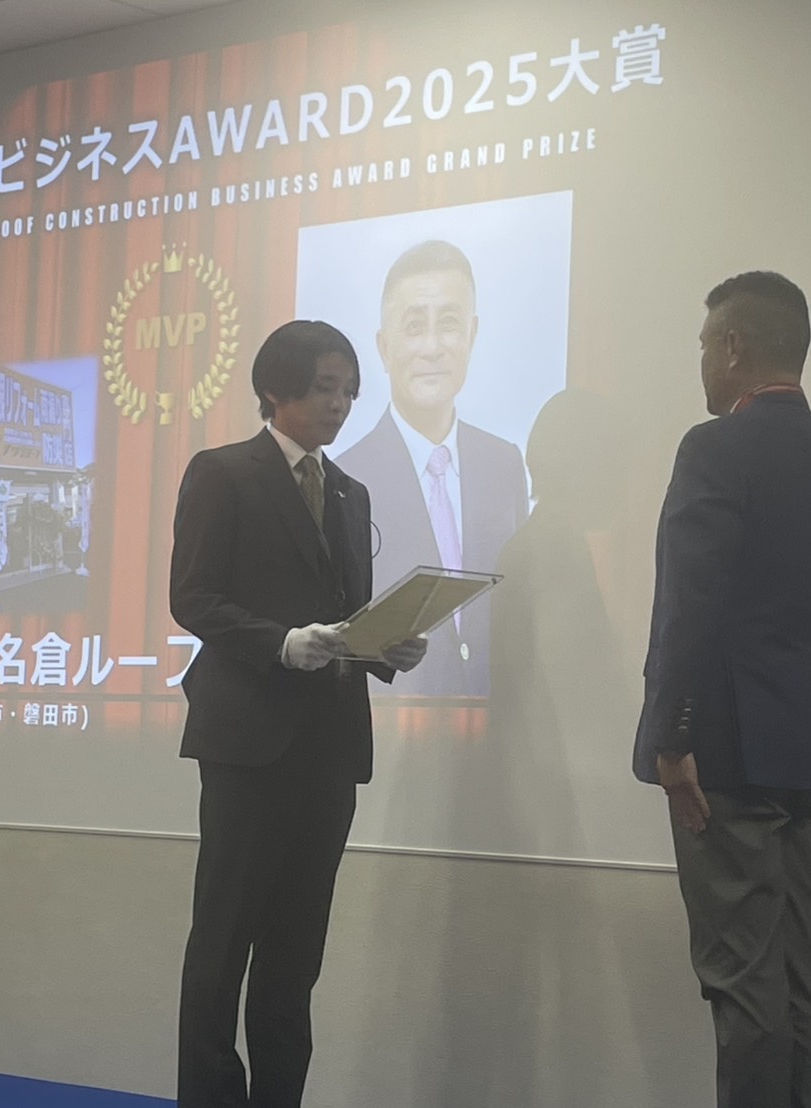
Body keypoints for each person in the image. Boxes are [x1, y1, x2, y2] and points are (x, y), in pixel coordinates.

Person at [633, 271, 811, 1108]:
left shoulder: (714, 450)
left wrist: (671, 737)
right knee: (809, 974)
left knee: (742, 983)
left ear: (733, 347)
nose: (702, 362)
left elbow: (688, 607)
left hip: (724, 760)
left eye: (705, 345)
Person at [171, 320, 427, 1108]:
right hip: (249, 743)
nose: (339, 404)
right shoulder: (223, 473)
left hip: (328, 748)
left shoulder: (349, 492)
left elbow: (347, 617)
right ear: (274, 388)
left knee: (295, 955)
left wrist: (387, 648)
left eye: (349, 390)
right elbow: (192, 598)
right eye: (324, 388)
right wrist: (279, 644)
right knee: (223, 944)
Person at [334, 239, 529, 697]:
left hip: (497, 720)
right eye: (414, 326)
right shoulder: (346, 477)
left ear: (472, 335)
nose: (433, 347)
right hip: (394, 720)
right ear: (384, 347)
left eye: (449, 324)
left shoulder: (504, 463)